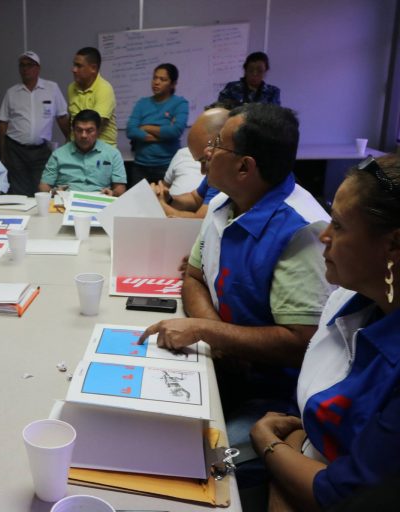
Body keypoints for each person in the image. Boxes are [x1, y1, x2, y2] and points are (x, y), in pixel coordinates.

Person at [141, 104, 333, 440]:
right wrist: (216, 335)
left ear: (245, 167)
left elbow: (301, 343)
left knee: (209, 456)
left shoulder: (303, 230)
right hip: (221, 365)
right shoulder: (223, 203)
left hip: (273, 397)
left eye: (218, 144)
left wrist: (209, 332)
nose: (208, 152)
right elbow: (193, 277)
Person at [249, 154, 400, 511]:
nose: (324, 236)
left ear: (393, 244)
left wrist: (267, 443)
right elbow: (303, 415)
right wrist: (288, 452)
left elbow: (342, 495)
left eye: (340, 225)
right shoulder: (346, 299)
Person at [0, 51, 70, 196]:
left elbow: (62, 117)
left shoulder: (52, 88)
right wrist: (3, 153)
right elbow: (3, 123)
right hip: (16, 150)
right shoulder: (12, 92)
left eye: (29, 65)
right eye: (22, 65)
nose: (25, 69)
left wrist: (70, 143)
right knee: (19, 192)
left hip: (41, 150)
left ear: (38, 68)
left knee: (41, 189)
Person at [151, 106, 229, 218]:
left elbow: (200, 221)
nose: (202, 171)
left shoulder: (226, 176)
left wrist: (160, 205)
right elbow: (195, 198)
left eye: (205, 160)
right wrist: (169, 200)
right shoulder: (216, 170)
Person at [38, 109, 126, 196]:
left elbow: (120, 188)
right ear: (73, 130)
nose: (84, 135)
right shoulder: (58, 154)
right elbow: (44, 185)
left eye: (89, 130)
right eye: (79, 130)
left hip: (100, 198)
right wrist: (53, 192)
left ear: (98, 131)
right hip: (66, 198)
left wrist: (113, 193)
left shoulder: (112, 154)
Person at [126, 63, 189, 186]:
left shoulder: (180, 103)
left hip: (168, 166)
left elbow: (175, 131)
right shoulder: (142, 103)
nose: (156, 82)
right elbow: (131, 130)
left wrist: (145, 127)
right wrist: (162, 135)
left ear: (173, 84)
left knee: (166, 198)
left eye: (163, 79)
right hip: (141, 166)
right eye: (155, 78)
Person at [67, 47, 117, 147]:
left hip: (102, 149)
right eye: (74, 65)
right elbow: (71, 121)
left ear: (93, 68)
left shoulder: (104, 88)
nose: (74, 70)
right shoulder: (71, 88)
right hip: (77, 147)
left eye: (79, 66)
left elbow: (93, 127)